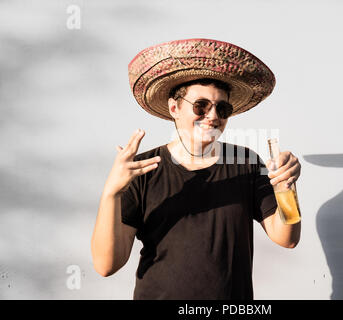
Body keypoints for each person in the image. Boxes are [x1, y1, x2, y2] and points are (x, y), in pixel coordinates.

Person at [91, 38, 302, 300]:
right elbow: (106, 266)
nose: (213, 116)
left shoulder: (246, 163)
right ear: (174, 107)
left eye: (222, 108)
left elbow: (287, 237)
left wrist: (286, 186)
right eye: (201, 106)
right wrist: (111, 192)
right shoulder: (142, 169)